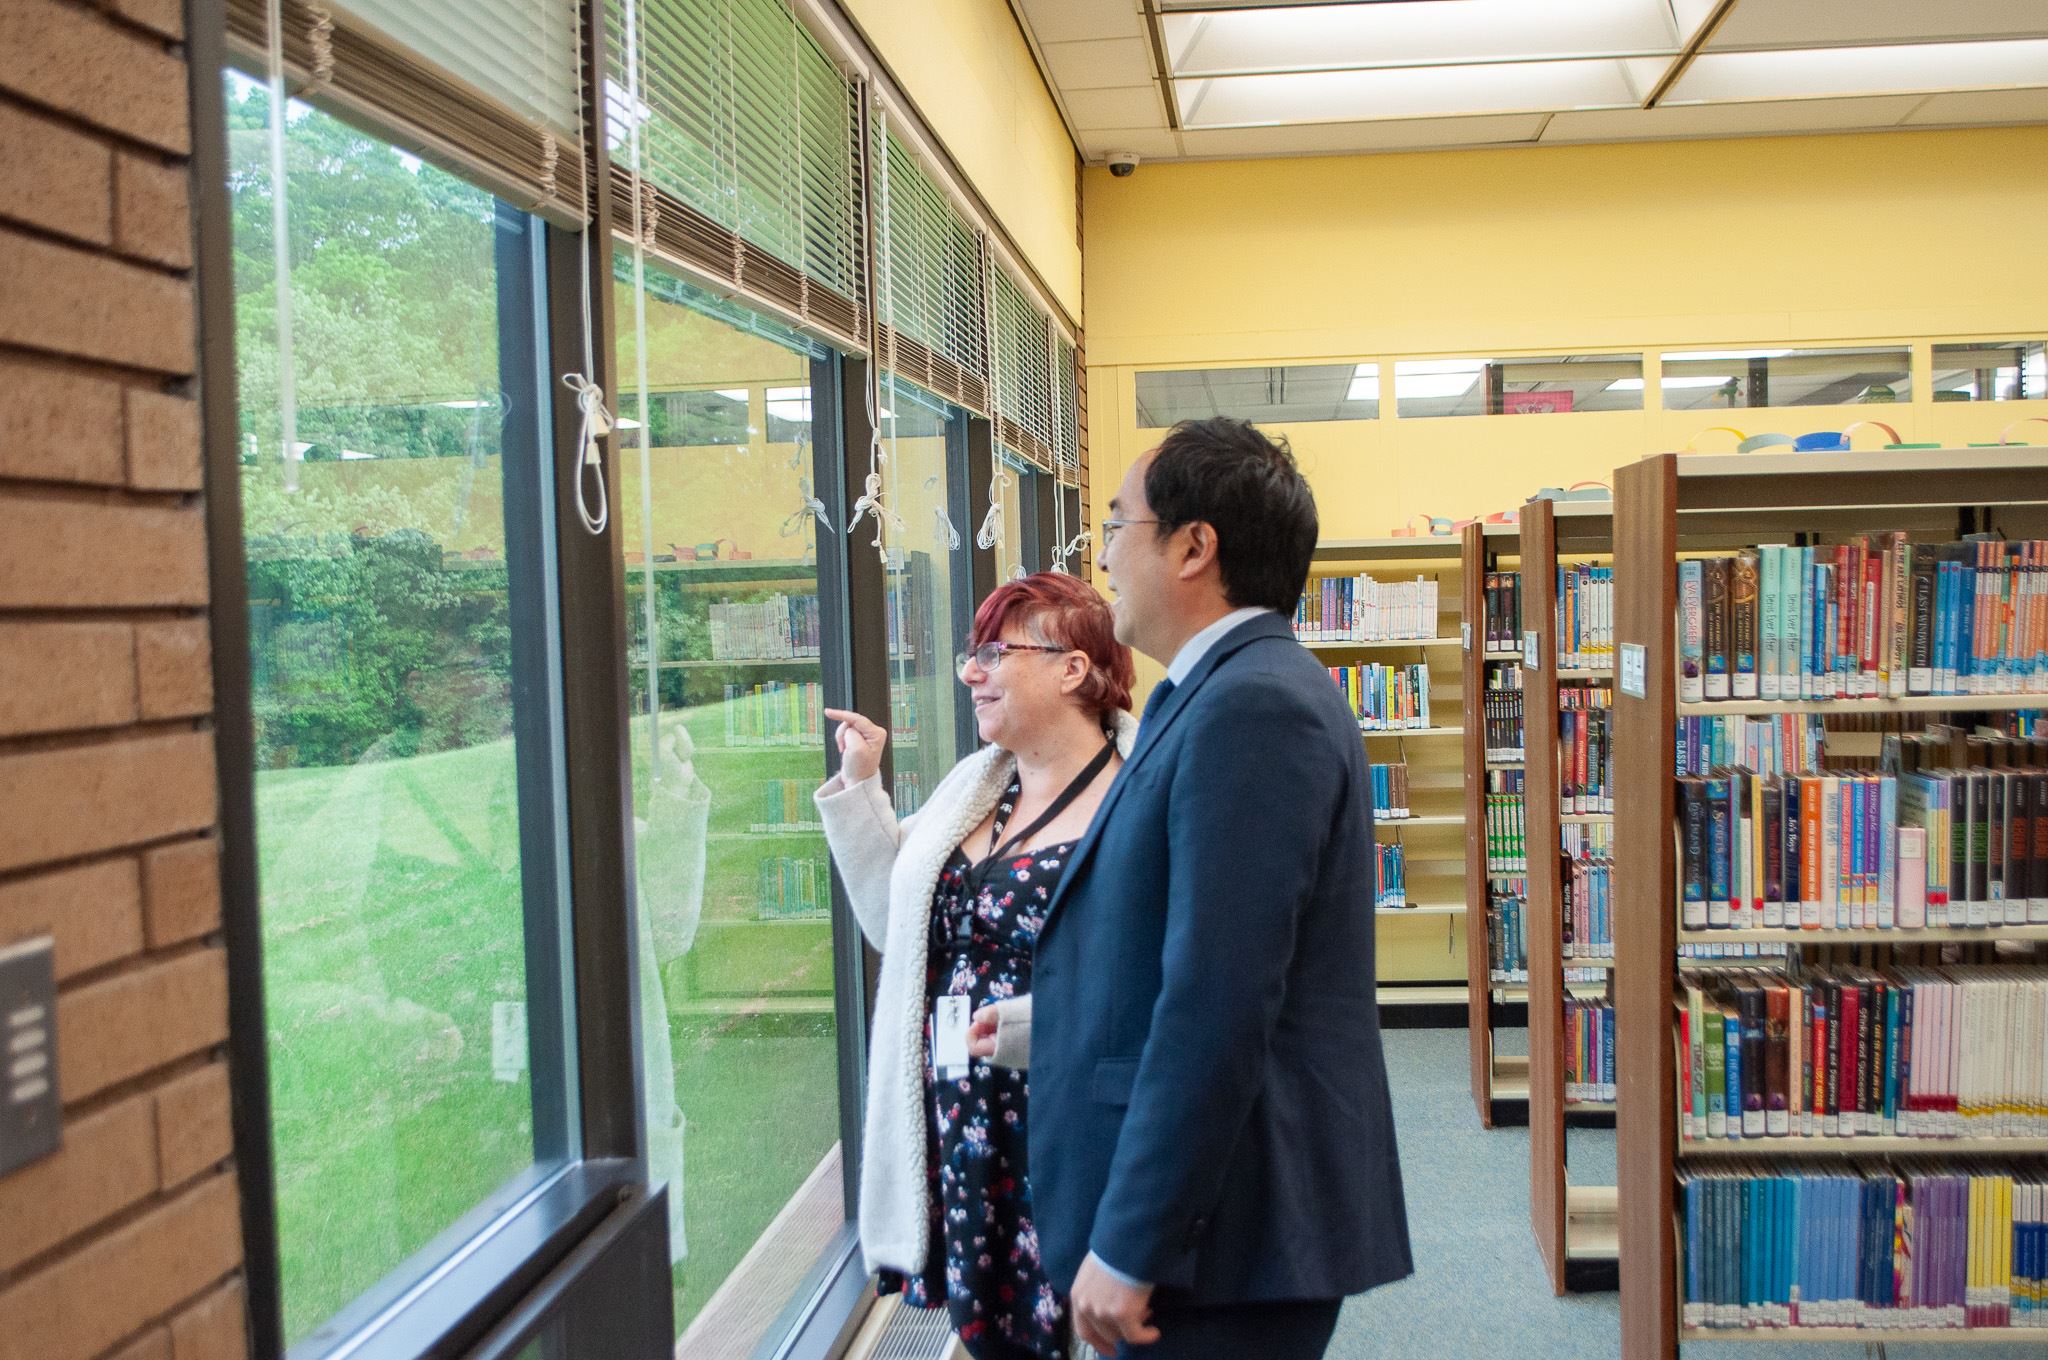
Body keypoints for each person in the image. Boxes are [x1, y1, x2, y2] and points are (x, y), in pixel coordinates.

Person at [988, 417, 1413, 1359]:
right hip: (1223, 1224)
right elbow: (1176, 940)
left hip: (1226, 1235)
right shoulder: (1214, 692)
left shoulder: (1253, 707)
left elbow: (1219, 1003)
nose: (1100, 556)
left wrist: (1131, 1240)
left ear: (1193, 547)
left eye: (1113, 525)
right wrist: (1050, 1023)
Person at [814, 571, 1138, 1360]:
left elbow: (1149, 978)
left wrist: (1035, 1027)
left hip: (1063, 1120)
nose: (971, 673)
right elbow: (897, 925)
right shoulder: (978, 785)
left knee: (1081, 1325)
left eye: (995, 652)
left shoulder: (1139, 794)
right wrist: (862, 785)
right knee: (994, 1332)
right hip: (962, 1117)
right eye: (971, 653)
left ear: (1074, 669)